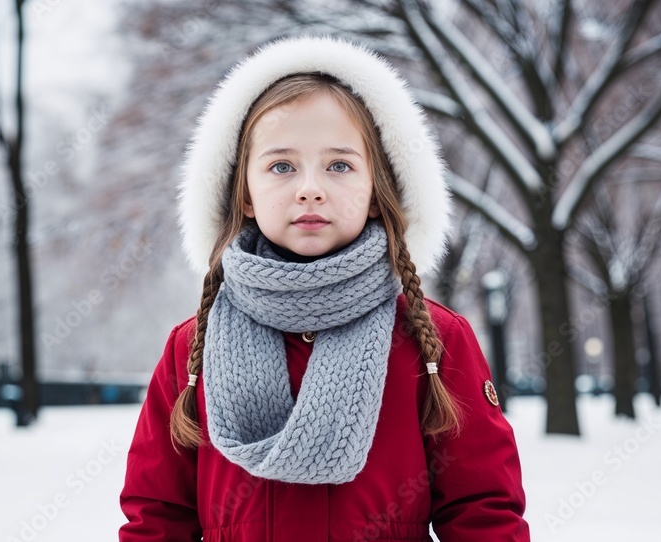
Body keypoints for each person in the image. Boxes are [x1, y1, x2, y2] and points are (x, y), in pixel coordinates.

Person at [119, 36, 530, 541]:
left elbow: (483, 512)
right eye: (281, 166)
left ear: (376, 194)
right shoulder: (191, 349)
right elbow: (156, 516)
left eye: (339, 166)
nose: (310, 189)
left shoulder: (433, 340)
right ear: (244, 195)